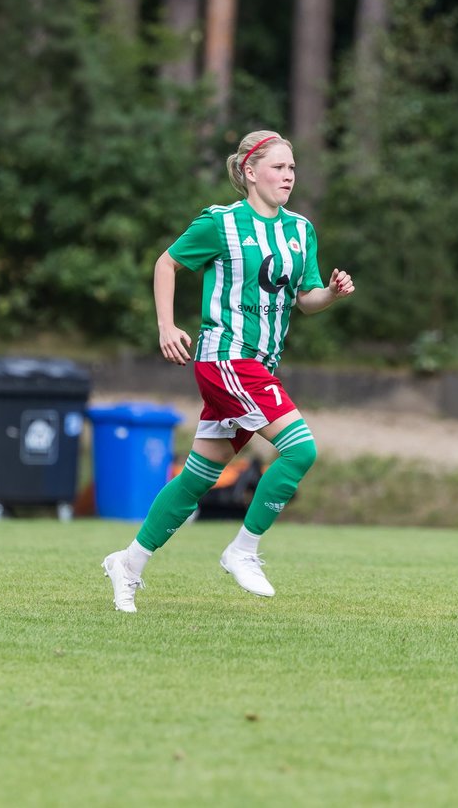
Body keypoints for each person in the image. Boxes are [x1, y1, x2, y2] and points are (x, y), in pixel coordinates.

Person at [102, 130, 355, 613]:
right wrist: (165, 326)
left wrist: (333, 294)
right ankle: (243, 549)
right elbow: (166, 263)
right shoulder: (221, 224)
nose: (288, 176)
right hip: (226, 359)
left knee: (197, 478)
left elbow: (307, 300)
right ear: (249, 171)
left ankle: (128, 564)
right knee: (300, 449)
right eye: (279, 167)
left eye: (293, 168)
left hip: (257, 366)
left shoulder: (301, 230)